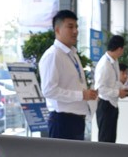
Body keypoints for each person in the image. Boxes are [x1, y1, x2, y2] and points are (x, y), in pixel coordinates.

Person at [39, 9, 97, 140]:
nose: (75, 31)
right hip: (62, 121)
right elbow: (49, 90)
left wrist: (87, 94)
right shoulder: (53, 55)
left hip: (76, 120)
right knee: (62, 155)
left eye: (76, 27)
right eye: (70, 27)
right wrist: (81, 95)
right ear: (57, 30)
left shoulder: (72, 54)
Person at [93, 34, 128, 143]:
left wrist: (123, 89)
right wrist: (118, 92)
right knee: (105, 140)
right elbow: (100, 89)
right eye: (123, 48)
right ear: (119, 49)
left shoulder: (114, 61)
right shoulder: (104, 64)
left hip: (113, 104)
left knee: (111, 140)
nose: (123, 51)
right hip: (105, 105)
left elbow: (115, 82)